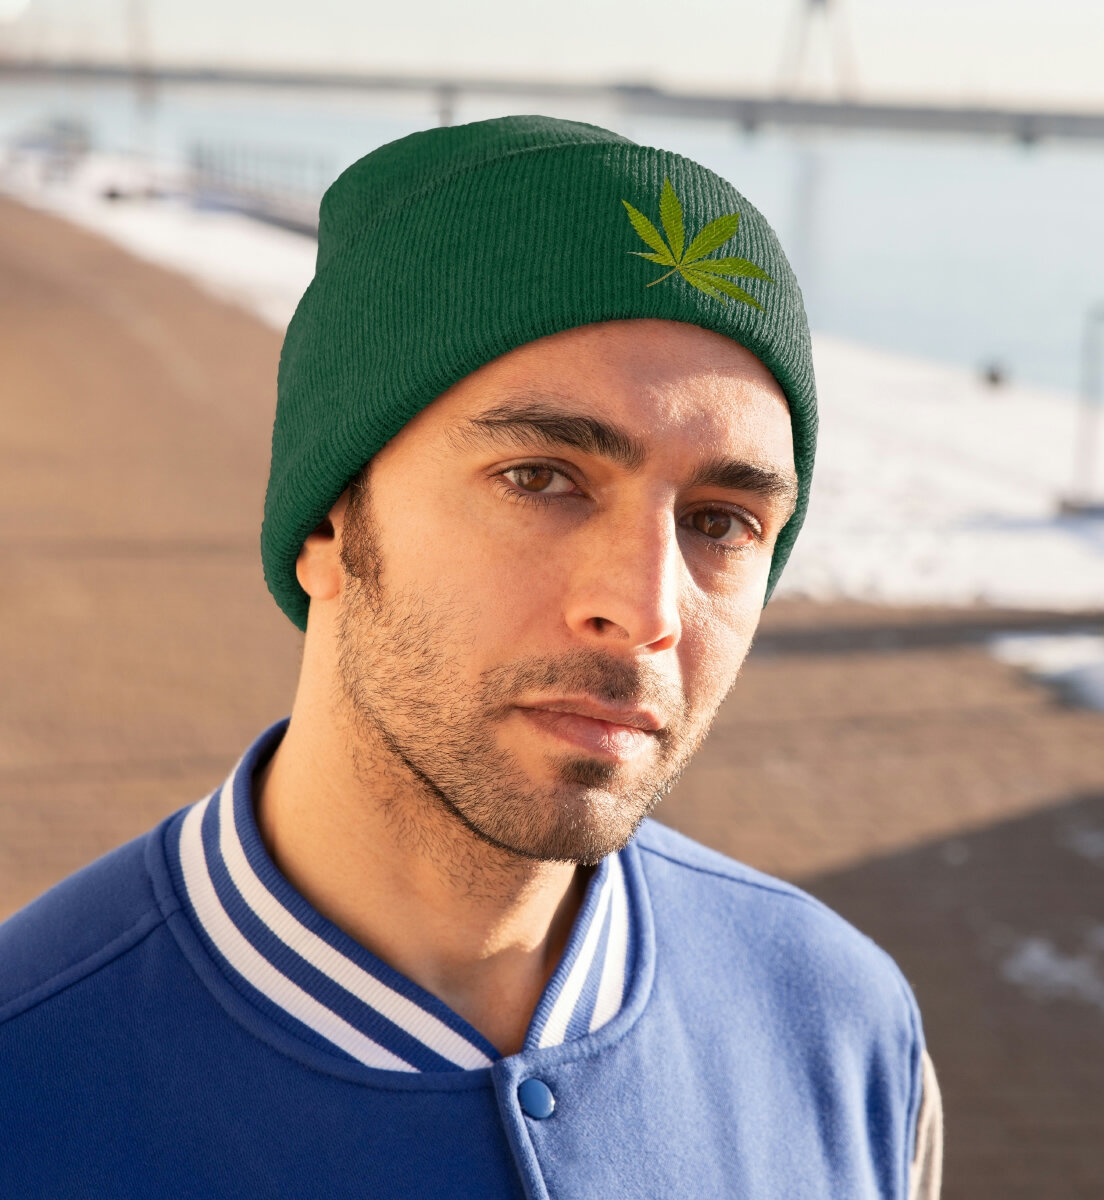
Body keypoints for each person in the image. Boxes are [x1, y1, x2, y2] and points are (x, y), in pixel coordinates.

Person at [0, 114, 941, 1198]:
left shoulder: (843, 1027)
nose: (645, 611)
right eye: (541, 479)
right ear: (328, 524)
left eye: (721, 523)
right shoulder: (30, 1076)